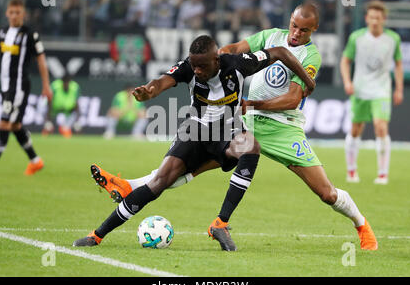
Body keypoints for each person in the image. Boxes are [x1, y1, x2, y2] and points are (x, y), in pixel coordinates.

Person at [98, 3, 378, 251]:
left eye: (304, 30)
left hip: (282, 128)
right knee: (187, 167)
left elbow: (293, 99)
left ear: (313, 30)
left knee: (326, 193)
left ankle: (361, 224)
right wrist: (218, 61)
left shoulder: (310, 57)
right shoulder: (271, 35)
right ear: (289, 21)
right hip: (243, 123)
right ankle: (130, 187)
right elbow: (233, 50)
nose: (296, 33)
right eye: (294, 25)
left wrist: (250, 104)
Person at [73, 34, 315, 251]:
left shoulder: (238, 63)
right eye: (194, 65)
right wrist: (149, 91)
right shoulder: (188, 67)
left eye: (202, 66)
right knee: (160, 182)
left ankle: (220, 223)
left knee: (251, 148)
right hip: (194, 131)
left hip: (227, 131)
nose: (196, 70)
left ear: (217, 60)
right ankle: (97, 235)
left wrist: (308, 81)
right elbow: (162, 81)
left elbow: (280, 52)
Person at [0, 0, 52, 176]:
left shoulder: (30, 34)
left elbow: (41, 59)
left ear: (23, 14)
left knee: (4, 122)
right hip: (5, 85)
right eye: (12, 12)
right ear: (7, 13)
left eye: (18, 12)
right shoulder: (2, 32)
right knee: (15, 125)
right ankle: (35, 161)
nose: (15, 16)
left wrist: (46, 85)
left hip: (18, 86)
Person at [340, 0, 403, 185]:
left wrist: (399, 88)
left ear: (383, 19)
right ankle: (352, 170)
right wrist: (347, 81)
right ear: (367, 18)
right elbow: (345, 61)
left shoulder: (393, 39)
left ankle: (382, 173)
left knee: (381, 127)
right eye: (371, 17)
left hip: (382, 90)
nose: (375, 21)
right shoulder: (356, 38)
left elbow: (398, 64)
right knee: (355, 129)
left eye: (378, 17)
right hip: (360, 90)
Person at [42, 74, 80, 138]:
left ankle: (66, 130)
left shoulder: (75, 87)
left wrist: (77, 121)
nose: (66, 84)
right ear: (62, 82)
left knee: (67, 126)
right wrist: (48, 120)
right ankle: (47, 131)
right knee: (49, 125)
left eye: (68, 82)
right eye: (65, 82)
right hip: (54, 111)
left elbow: (77, 105)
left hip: (68, 113)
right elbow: (49, 103)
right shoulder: (55, 86)